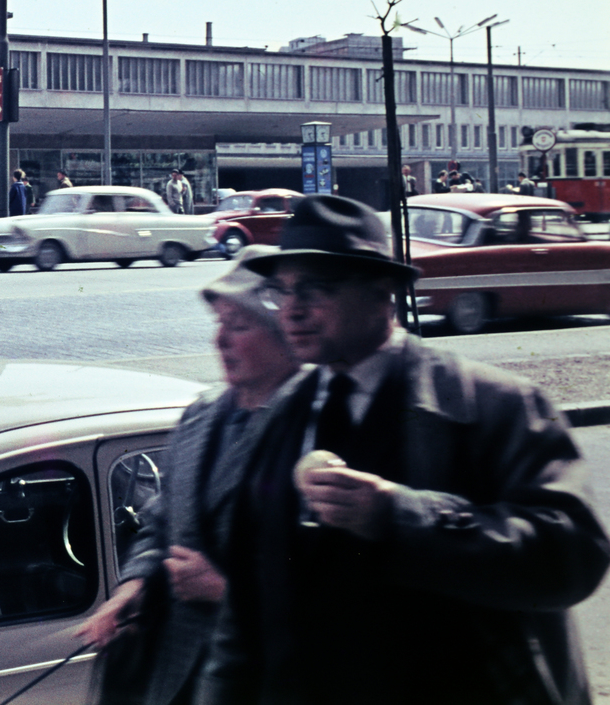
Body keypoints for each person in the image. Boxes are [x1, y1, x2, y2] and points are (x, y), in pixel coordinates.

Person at [198, 194, 609, 705]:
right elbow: (247, 609)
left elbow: (572, 556)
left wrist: (398, 515)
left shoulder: (489, 403)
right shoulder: (282, 416)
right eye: (283, 292)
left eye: (317, 288)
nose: (293, 311)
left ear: (383, 294)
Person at [76, 247, 300, 705]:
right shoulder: (201, 415)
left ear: (287, 337)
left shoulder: (314, 428)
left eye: (239, 326)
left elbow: (335, 595)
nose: (220, 340)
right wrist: (134, 587)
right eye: (219, 322)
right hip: (175, 673)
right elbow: (161, 521)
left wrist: (224, 592)